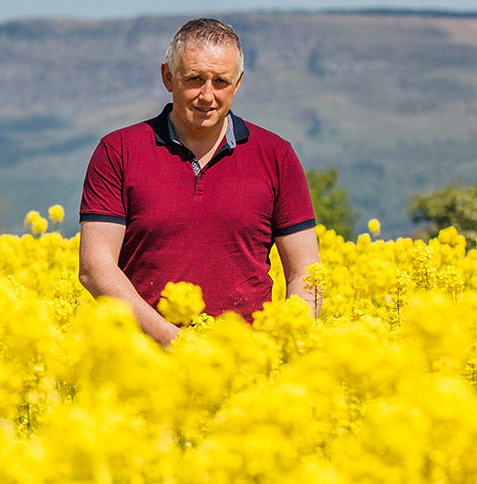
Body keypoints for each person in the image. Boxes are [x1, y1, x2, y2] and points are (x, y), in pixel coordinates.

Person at [77, 18, 320, 346]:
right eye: (194, 80)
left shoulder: (276, 156)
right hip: (143, 365)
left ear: (238, 83)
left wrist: (291, 344)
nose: (207, 96)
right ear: (168, 77)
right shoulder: (118, 151)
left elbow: (305, 270)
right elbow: (95, 267)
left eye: (221, 81)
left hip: (247, 366)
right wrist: (169, 341)